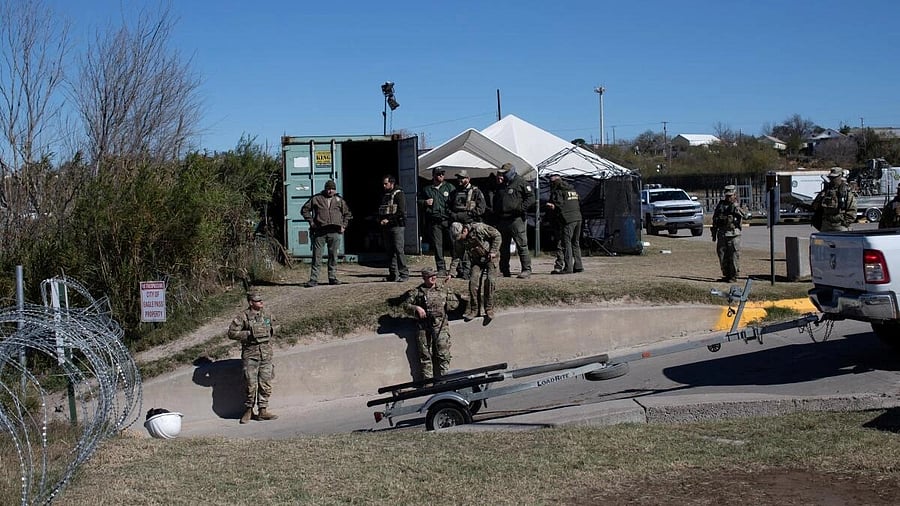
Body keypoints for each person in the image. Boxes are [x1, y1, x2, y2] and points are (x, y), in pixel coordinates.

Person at [227, 291, 278, 424]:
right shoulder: (242, 317)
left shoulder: (267, 314)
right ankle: (249, 410)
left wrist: (268, 330)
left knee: (265, 383)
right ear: (251, 303)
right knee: (251, 384)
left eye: (261, 300)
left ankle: (263, 410)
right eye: (257, 301)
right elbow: (232, 333)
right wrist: (249, 334)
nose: (261, 303)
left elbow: (276, 326)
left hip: (266, 354)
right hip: (251, 355)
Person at [402, 267, 461, 381]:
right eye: (430, 276)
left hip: (440, 326)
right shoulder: (417, 292)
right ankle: (428, 382)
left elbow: (455, 303)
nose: (433, 278)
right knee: (425, 355)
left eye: (434, 275)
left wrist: (444, 305)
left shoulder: (443, 289)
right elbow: (405, 306)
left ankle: (445, 380)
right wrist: (416, 308)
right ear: (424, 278)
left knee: (443, 353)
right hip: (423, 327)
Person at [301, 179, 353, 287]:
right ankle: (314, 279)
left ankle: (332, 277)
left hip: (335, 231)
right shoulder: (317, 198)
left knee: (333, 256)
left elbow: (348, 214)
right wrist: (311, 222)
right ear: (325, 189)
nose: (330, 191)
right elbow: (304, 210)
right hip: (320, 231)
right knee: (317, 256)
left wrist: (344, 225)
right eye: (329, 189)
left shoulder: (339, 200)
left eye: (333, 189)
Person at [491, 163, 536, 279]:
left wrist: (521, 208)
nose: (502, 175)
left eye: (505, 173)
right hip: (503, 219)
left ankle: (526, 269)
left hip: (516, 219)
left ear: (512, 171)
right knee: (503, 247)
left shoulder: (521, 182)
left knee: (522, 245)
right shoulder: (502, 184)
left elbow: (531, 198)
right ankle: (504, 270)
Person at [450, 221, 501, 320]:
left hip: (491, 257)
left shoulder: (479, 228)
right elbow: (457, 256)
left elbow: (497, 235)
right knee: (473, 283)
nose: (459, 240)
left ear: (464, 231)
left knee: (490, 281)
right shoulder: (459, 240)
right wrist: (451, 273)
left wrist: (493, 251)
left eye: (460, 237)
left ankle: (489, 308)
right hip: (477, 260)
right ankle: (474, 309)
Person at [448, 169, 487, 279]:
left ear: (468, 179)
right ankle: (460, 270)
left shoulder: (476, 191)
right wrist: (453, 215)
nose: (459, 180)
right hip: (457, 224)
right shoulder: (454, 192)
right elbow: (448, 207)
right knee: (458, 248)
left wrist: (468, 215)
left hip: (471, 223)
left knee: (471, 248)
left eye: (462, 178)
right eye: (458, 178)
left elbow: (481, 208)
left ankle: (469, 270)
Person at [710, 185, 751, 282]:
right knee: (722, 255)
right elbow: (715, 219)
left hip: (733, 234)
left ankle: (733, 275)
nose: (728, 197)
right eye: (727, 195)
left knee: (733, 256)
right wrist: (714, 233)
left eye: (731, 195)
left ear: (735, 195)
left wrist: (737, 208)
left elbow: (746, 216)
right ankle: (726, 274)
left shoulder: (739, 205)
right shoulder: (721, 205)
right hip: (722, 234)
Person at [545, 174, 584, 274]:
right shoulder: (572, 189)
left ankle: (568, 267)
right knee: (575, 243)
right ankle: (578, 266)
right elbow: (579, 200)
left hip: (568, 220)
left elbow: (558, 205)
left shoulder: (558, 191)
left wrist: (551, 206)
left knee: (566, 243)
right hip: (578, 218)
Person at [418, 168, 453, 273]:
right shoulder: (427, 189)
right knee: (438, 246)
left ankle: (456, 268)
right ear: (433, 176)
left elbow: (456, 200)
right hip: (435, 221)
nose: (440, 176)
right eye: (438, 174)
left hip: (448, 220)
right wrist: (425, 202)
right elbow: (418, 201)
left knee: (453, 244)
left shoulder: (449, 187)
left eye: (442, 174)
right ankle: (441, 268)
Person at [378, 175, 409, 282]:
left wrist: (389, 220)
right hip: (386, 227)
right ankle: (393, 274)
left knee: (399, 250)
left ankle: (404, 273)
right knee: (390, 251)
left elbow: (401, 211)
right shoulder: (385, 195)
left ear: (391, 183)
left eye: (386, 183)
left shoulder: (399, 194)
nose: (384, 185)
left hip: (397, 226)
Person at [811, 167, 857, 232]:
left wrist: (844, 223)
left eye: (834, 177)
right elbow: (815, 207)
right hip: (826, 225)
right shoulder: (826, 191)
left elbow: (852, 210)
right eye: (831, 178)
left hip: (840, 225)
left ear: (840, 177)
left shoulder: (846, 192)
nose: (832, 179)